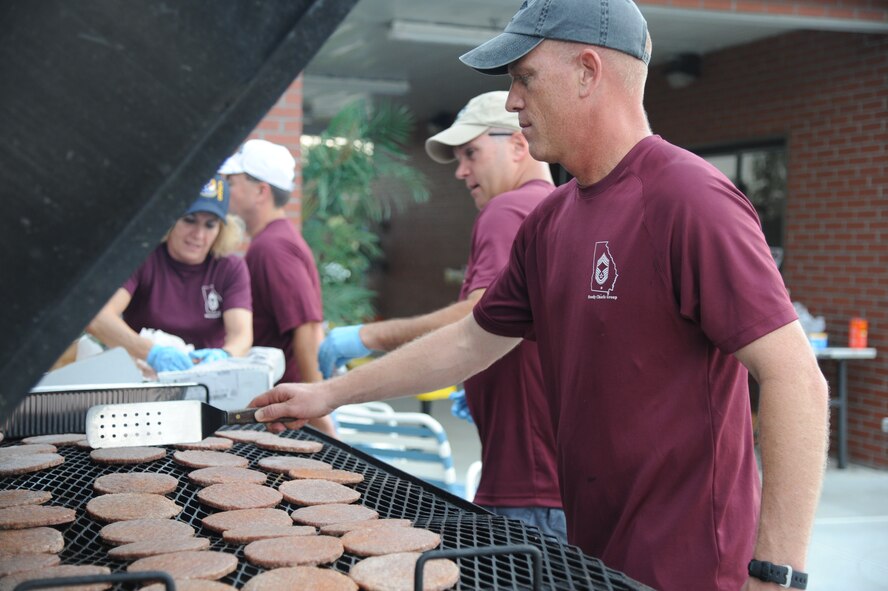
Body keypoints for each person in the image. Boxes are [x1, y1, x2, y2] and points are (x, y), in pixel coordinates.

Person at [248, 0, 830, 589]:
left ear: (587, 71)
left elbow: (796, 381)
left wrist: (776, 572)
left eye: (524, 77)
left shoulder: (689, 197)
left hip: (691, 569)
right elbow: (471, 341)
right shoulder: (550, 221)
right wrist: (330, 392)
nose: (511, 101)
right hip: (592, 557)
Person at [317, 91, 566, 540]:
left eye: (471, 153)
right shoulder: (556, 209)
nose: (461, 170)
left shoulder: (507, 209)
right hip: (553, 479)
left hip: (526, 484)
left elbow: (478, 315)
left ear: (518, 144)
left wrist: (366, 338)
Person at [220, 139, 337, 438]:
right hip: (285, 409)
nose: (227, 189)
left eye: (233, 181)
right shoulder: (272, 240)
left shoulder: (273, 248)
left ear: (261, 190)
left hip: (289, 415)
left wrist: (320, 416)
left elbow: (308, 328)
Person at [88, 175, 252, 372]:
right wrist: (151, 353)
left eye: (210, 224)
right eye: (189, 220)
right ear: (170, 220)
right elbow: (97, 318)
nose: (199, 235)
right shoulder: (143, 258)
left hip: (207, 381)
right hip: (143, 380)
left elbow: (241, 335)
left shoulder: (229, 267)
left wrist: (224, 355)